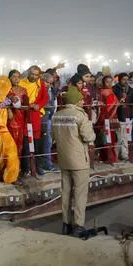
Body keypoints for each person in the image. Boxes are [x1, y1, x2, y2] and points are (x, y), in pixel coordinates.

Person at [52, 85, 95, 238]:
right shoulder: (80, 116)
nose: (83, 101)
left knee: (66, 193)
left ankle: (66, 225)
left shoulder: (57, 115)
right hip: (79, 161)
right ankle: (78, 226)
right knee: (80, 194)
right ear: (76, 101)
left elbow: (53, 136)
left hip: (64, 160)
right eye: (81, 99)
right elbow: (89, 137)